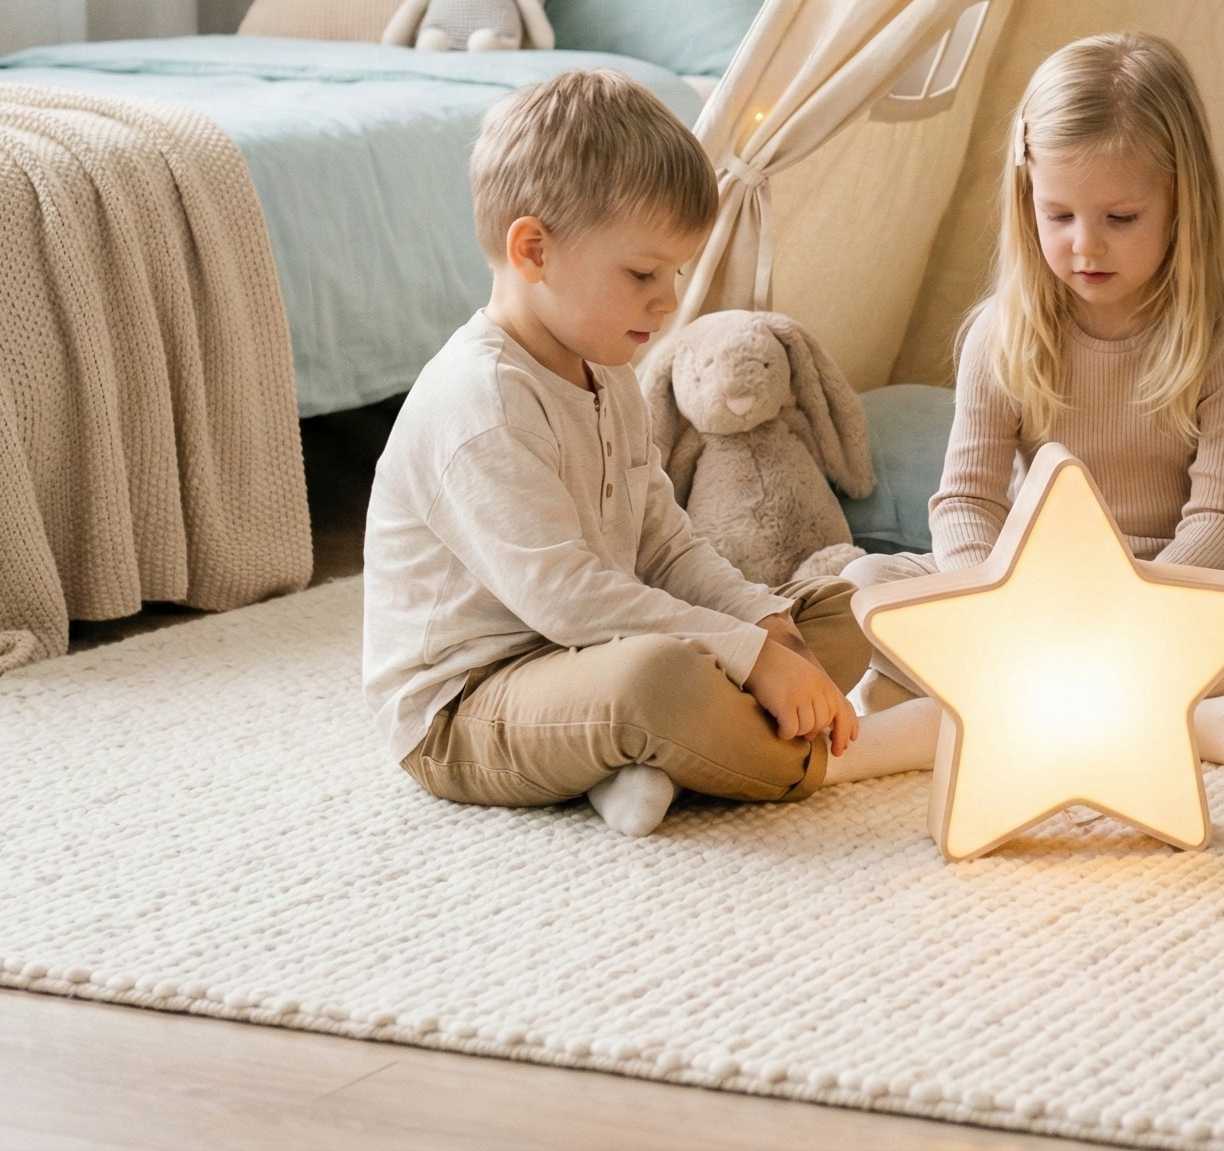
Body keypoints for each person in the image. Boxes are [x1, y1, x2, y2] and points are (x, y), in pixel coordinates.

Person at [362, 69, 939, 837]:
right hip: (472, 704)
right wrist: (745, 656)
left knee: (840, 608)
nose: (668, 301)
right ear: (534, 250)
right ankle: (855, 753)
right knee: (659, 679)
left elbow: (662, 543)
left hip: (594, 653)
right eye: (642, 274)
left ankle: (648, 762)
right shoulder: (481, 403)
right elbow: (567, 599)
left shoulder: (609, 374)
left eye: (673, 273)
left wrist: (762, 625)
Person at [846, 33, 1224, 770]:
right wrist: (990, 593)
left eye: (1120, 219)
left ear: (1180, 203)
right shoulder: (1000, 336)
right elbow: (966, 503)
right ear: (1026, 199)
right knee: (862, 584)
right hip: (1025, 591)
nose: (1084, 246)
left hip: (1170, 588)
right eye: (1058, 215)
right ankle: (1169, 719)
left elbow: (1223, 519)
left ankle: (982, 707)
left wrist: (1129, 603)